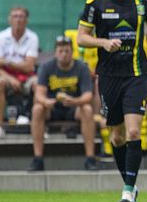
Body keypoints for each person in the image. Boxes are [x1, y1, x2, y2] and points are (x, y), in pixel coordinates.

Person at [77, 0, 147, 202]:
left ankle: (126, 190)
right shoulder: (96, 3)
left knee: (134, 131)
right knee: (116, 137)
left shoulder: (143, 2)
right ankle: (131, 185)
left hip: (136, 74)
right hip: (109, 76)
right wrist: (103, 43)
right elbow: (81, 37)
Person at [27, 36, 97, 171]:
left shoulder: (81, 67)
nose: (63, 54)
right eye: (60, 51)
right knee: (37, 109)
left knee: (87, 110)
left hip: (74, 107)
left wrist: (74, 101)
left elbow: (88, 95)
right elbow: (39, 94)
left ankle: (90, 159)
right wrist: (46, 101)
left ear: (72, 52)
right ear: (55, 52)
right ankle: (38, 159)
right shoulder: (46, 67)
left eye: (67, 51)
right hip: (52, 107)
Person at [0, 7, 39, 140]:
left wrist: (7, 61)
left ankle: (38, 125)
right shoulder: (2, 36)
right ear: (10, 19)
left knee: (38, 85)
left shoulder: (32, 37)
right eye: (15, 16)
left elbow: (29, 67)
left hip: (28, 77)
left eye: (21, 16)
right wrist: (11, 77)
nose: (18, 19)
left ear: (26, 20)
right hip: (7, 77)